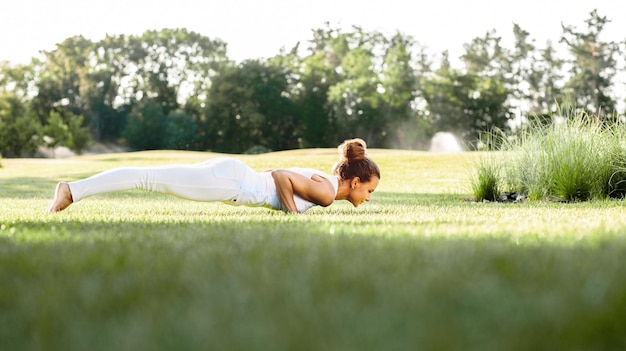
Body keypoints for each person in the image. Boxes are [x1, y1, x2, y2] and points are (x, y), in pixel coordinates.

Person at [47, 138, 380, 214]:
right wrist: (292, 213)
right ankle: (72, 191)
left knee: (150, 177)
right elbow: (280, 174)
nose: (368, 197)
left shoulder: (325, 183)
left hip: (233, 177)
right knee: (147, 178)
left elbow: (279, 175)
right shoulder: (325, 194)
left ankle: (73, 190)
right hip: (232, 183)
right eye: (369, 191)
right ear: (355, 182)